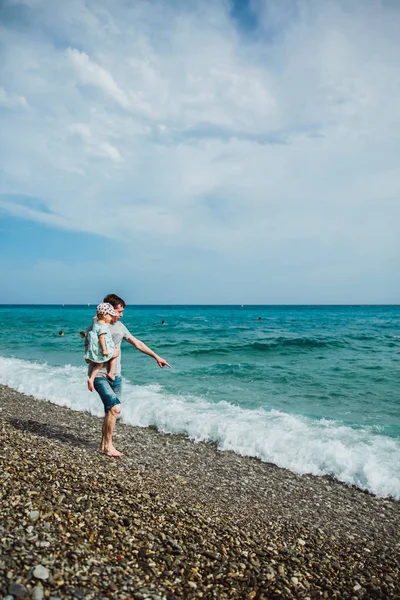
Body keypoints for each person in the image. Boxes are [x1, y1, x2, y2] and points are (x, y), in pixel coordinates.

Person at [85, 293, 171, 457]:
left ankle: (104, 445)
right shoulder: (93, 329)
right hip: (99, 376)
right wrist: (109, 354)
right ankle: (108, 447)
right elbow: (88, 358)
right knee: (115, 408)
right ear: (109, 310)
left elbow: (137, 343)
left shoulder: (120, 327)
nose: (121, 315)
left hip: (116, 376)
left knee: (110, 411)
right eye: (119, 311)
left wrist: (156, 357)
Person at [84, 302, 120, 392]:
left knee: (99, 364)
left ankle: (91, 379)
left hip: (94, 349)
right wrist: (104, 350)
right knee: (116, 352)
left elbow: (96, 318)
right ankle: (111, 372)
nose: (112, 318)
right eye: (110, 315)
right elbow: (101, 337)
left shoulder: (95, 323)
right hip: (102, 349)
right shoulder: (103, 326)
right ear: (104, 315)